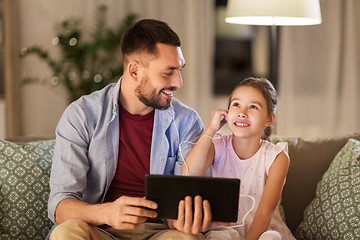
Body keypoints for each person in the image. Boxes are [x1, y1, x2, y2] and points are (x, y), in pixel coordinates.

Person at [48, 19, 212, 240]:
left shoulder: (188, 122)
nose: (178, 82)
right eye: (168, 72)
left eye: (179, 70)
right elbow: (60, 205)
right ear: (134, 70)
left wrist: (186, 218)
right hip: (101, 230)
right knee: (66, 233)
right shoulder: (82, 115)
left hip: (161, 233)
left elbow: (188, 200)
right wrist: (107, 212)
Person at [181, 77, 296, 240]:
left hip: (264, 230)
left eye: (253, 107)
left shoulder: (277, 157)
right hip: (224, 230)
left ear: (269, 119)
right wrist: (211, 129)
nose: (242, 113)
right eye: (236, 104)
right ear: (227, 113)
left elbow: (265, 211)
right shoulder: (217, 146)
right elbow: (188, 174)